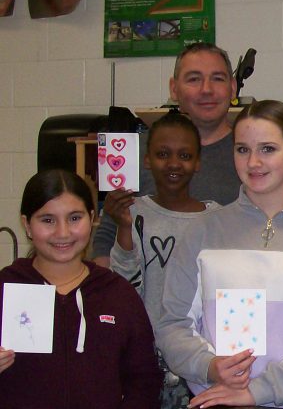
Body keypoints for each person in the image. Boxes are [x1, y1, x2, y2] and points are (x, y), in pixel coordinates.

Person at [155, 100, 283, 409]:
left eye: (267, 149)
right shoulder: (202, 232)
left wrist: (259, 391)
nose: (253, 163)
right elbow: (172, 324)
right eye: (242, 150)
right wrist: (209, 366)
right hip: (216, 407)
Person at [0, 170, 162, 409]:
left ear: (92, 218)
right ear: (27, 225)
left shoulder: (117, 294)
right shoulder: (6, 287)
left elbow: (144, 379)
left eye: (75, 218)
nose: (62, 233)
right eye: (47, 220)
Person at [106, 112, 220, 409]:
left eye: (184, 156)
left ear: (197, 162)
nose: (173, 164)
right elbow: (122, 282)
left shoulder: (216, 219)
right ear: (146, 160)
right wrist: (123, 227)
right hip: (144, 357)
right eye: (162, 154)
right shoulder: (133, 212)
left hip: (198, 358)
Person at [92, 42, 242, 263]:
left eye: (217, 78)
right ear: (174, 89)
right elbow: (106, 236)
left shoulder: (251, 156)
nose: (207, 89)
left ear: (233, 88)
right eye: (194, 79)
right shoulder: (134, 151)